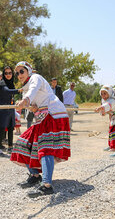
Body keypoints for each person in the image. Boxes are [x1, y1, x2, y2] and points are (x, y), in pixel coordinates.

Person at [10, 61, 71, 198]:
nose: (19, 75)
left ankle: (47, 186)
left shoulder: (35, 78)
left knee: (45, 148)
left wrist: (25, 101)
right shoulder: (25, 87)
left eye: (22, 71)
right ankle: (35, 174)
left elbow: (32, 91)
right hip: (42, 118)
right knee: (23, 143)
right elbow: (35, 105)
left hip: (53, 115)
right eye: (17, 73)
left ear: (29, 71)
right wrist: (30, 106)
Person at [0, 66, 20, 154]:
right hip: (3, 108)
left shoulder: (11, 83)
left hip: (10, 108)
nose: (8, 75)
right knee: (1, 128)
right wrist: (19, 90)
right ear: (3, 74)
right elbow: (7, 91)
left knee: (10, 127)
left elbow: (11, 93)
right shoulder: (2, 83)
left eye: (10, 73)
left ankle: (10, 147)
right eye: (6, 73)